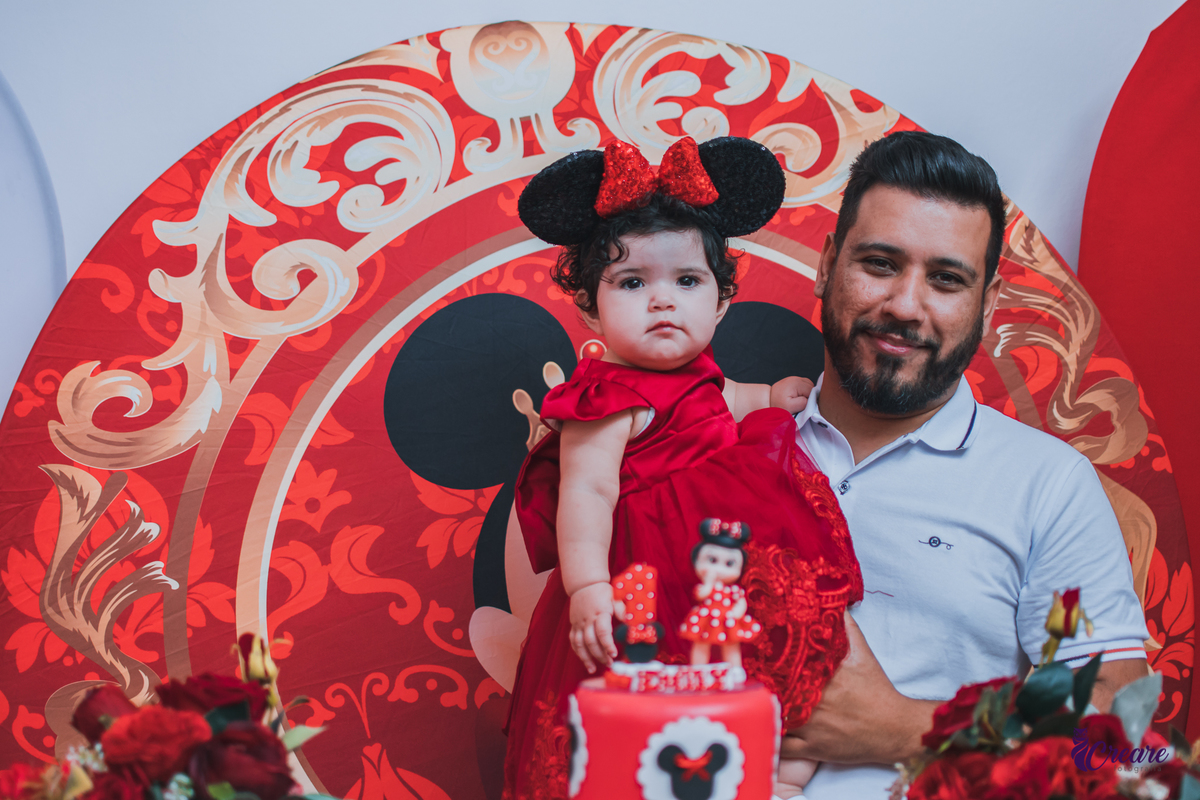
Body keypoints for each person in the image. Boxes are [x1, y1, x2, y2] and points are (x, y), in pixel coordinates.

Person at [776, 130, 1150, 799]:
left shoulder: (1046, 486)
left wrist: (907, 729)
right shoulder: (727, 447)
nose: (905, 305)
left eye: (946, 279)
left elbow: (1118, 737)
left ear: (988, 300)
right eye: (880, 264)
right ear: (828, 264)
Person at [503, 136, 862, 800]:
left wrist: (767, 397)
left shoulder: (701, 376)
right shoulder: (605, 401)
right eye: (632, 283)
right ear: (589, 307)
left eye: (687, 281)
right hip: (640, 578)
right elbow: (587, 491)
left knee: (765, 660)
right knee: (647, 693)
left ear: (721, 302)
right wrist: (588, 586)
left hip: (717, 568)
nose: (662, 300)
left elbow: (718, 403)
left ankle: (774, 768)